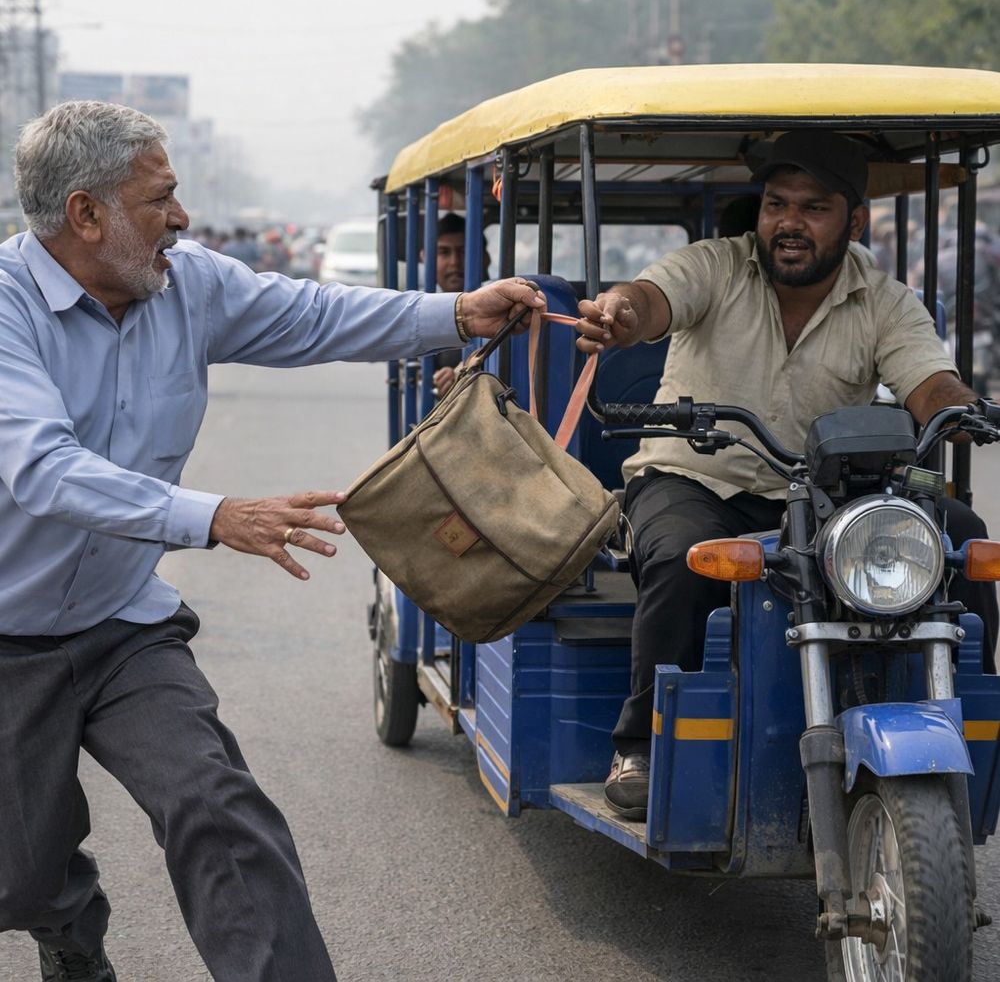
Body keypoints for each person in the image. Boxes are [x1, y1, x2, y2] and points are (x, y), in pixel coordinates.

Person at [0, 100, 544, 982]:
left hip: (120, 628)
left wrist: (459, 313)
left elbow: (319, 316)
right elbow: (42, 469)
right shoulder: (6, 308)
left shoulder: (190, 283)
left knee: (216, 805)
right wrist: (214, 515)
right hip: (7, 635)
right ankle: (67, 932)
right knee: (20, 880)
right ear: (85, 214)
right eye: (160, 201)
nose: (181, 220)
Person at [574, 130, 999, 821]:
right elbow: (652, 298)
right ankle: (640, 745)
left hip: (820, 496)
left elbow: (931, 383)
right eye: (776, 205)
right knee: (683, 561)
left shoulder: (886, 301)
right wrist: (620, 313)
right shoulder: (716, 266)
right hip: (691, 479)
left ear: (853, 221)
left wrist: (963, 411)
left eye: (813, 207)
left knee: (958, 540)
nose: (789, 223)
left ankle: (967, 721)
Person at [426, 212, 491, 397]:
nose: (455, 262)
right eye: (444, 252)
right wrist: (439, 381)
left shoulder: (505, 311)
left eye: (464, 252)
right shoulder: (424, 318)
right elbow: (419, 377)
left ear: (485, 258)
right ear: (425, 258)